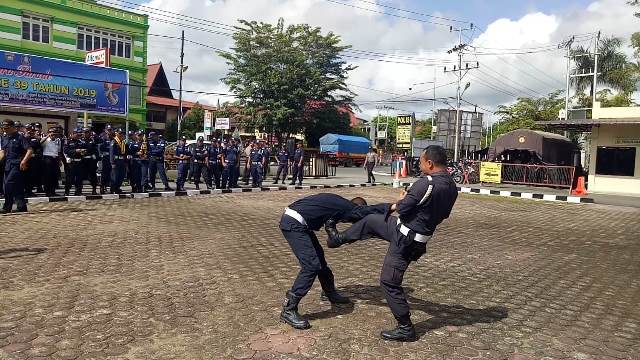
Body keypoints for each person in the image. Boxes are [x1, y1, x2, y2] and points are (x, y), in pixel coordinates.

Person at [324, 145, 458, 342]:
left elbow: (403, 209)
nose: (419, 165)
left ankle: (405, 327)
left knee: (389, 282)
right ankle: (339, 238)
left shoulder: (426, 184)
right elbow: (442, 215)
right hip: (413, 234)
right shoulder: (452, 187)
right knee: (371, 221)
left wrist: (403, 199)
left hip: (406, 239)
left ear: (430, 163)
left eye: (421, 162)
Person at [279, 193, 392, 329]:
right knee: (311, 266)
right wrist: (392, 206)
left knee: (319, 260)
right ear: (356, 207)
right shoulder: (349, 208)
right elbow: (367, 211)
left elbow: (330, 227)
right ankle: (289, 309)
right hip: (293, 223)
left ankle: (329, 292)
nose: (350, 221)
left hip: (298, 222)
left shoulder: (337, 206)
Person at [0, 119, 33, 214]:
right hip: (8, 165)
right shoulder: (4, 137)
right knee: (17, 186)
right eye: (3, 128)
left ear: (13, 127)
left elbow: (30, 150)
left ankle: (7, 207)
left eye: (6, 128)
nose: (4, 129)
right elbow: (3, 152)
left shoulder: (20, 137)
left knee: (8, 185)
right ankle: (21, 206)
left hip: (17, 165)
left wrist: (23, 161)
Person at [42, 127, 62, 197]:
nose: (52, 134)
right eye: (50, 132)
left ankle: (53, 191)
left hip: (55, 158)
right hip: (47, 158)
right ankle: (48, 191)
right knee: (48, 176)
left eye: (54, 132)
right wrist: (47, 136)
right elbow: (39, 143)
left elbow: (59, 151)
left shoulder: (58, 140)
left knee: (54, 176)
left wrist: (59, 160)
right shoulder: (45, 139)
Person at [64, 128, 85, 195]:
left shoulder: (81, 142)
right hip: (71, 162)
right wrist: (75, 151)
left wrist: (83, 152)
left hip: (79, 162)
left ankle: (78, 191)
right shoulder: (68, 141)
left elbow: (84, 151)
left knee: (79, 178)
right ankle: (67, 191)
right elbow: (66, 151)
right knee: (70, 178)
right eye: (77, 134)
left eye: (79, 135)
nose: (78, 136)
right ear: (73, 134)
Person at [24, 124, 43, 196]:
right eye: (28, 129)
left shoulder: (35, 139)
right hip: (25, 159)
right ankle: (25, 190)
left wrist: (37, 155)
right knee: (25, 176)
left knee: (32, 175)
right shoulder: (22, 138)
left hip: (33, 160)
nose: (30, 131)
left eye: (32, 130)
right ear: (25, 129)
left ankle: (29, 191)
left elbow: (39, 148)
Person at [80, 127, 99, 195]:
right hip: (83, 160)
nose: (85, 134)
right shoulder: (80, 140)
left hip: (91, 160)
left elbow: (100, 141)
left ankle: (94, 190)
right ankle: (79, 190)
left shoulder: (93, 140)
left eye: (87, 132)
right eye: (84, 132)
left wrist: (96, 158)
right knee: (81, 175)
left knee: (93, 175)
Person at [110, 128, 127, 194]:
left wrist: (125, 162)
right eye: (120, 133)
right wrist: (112, 162)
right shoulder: (114, 141)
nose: (121, 135)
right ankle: (113, 188)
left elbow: (124, 152)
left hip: (122, 161)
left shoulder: (123, 142)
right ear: (116, 133)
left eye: (122, 133)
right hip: (116, 161)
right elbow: (111, 153)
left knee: (121, 175)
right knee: (115, 176)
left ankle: (117, 187)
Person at [98, 125, 114, 194]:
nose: (109, 131)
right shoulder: (103, 138)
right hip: (105, 158)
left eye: (110, 130)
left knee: (112, 173)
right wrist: (100, 155)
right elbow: (99, 147)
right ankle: (102, 186)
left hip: (112, 158)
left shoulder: (114, 138)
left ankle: (111, 187)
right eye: (108, 130)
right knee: (104, 173)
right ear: (105, 130)